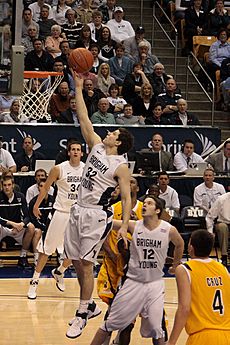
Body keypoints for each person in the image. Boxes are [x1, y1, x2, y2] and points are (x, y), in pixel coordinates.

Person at [64, 73, 134, 339]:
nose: (109, 132)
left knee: (86, 263)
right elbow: (83, 118)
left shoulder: (121, 166)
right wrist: (79, 88)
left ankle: (82, 312)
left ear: (118, 142)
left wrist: (125, 225)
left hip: (96, 216)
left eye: (113, 132)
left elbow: (126, 198)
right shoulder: (96, 147)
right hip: (78, 209)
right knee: (74, 261)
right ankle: (90, 304)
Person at [90, 195, 184, 345]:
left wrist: (176, 264)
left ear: (158, 210)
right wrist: (95, 215)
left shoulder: (168, 229)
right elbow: (110, 223)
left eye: (149, 203)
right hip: (133, 282)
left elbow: (180, 244)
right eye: (144, 202)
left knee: (157, 328)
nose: (144, 205)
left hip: (154, 284)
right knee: (110, 323)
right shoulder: (134, 226)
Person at [27, 141, 85, 299]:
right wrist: (36, 205)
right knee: (47, 249)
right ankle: (34, 282)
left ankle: (60, 271)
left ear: (82, 153)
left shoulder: (86, 169)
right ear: (68, 152)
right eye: (72, 149)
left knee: (77, 251)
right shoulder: (59, 168)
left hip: (77, 213)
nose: (75, 152)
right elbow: (45, 187)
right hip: (60, 212)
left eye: (78, 150)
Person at [167, 229, 230, 345]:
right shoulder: (223, 269)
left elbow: (184, 308)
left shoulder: (185, 269)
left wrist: (171, 341)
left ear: (191, 247)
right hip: (227, 335)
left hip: (202, 337)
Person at [0, 175, 37, 268]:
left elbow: (27, 216)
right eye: (5, 185)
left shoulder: (20, 196)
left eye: (9, 185)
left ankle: (23, 257)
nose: (7, 187)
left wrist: (22, 224)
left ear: (13, 185)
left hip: (18, 228)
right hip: (3, 227)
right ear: (2, 186)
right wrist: (12, 224)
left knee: (31, 227)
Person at [206, 192, 230, 267]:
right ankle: (224, 257)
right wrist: (210, 231)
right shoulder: (222, 199)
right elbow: (210, 216)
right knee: (222, 227)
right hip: (224, 223)